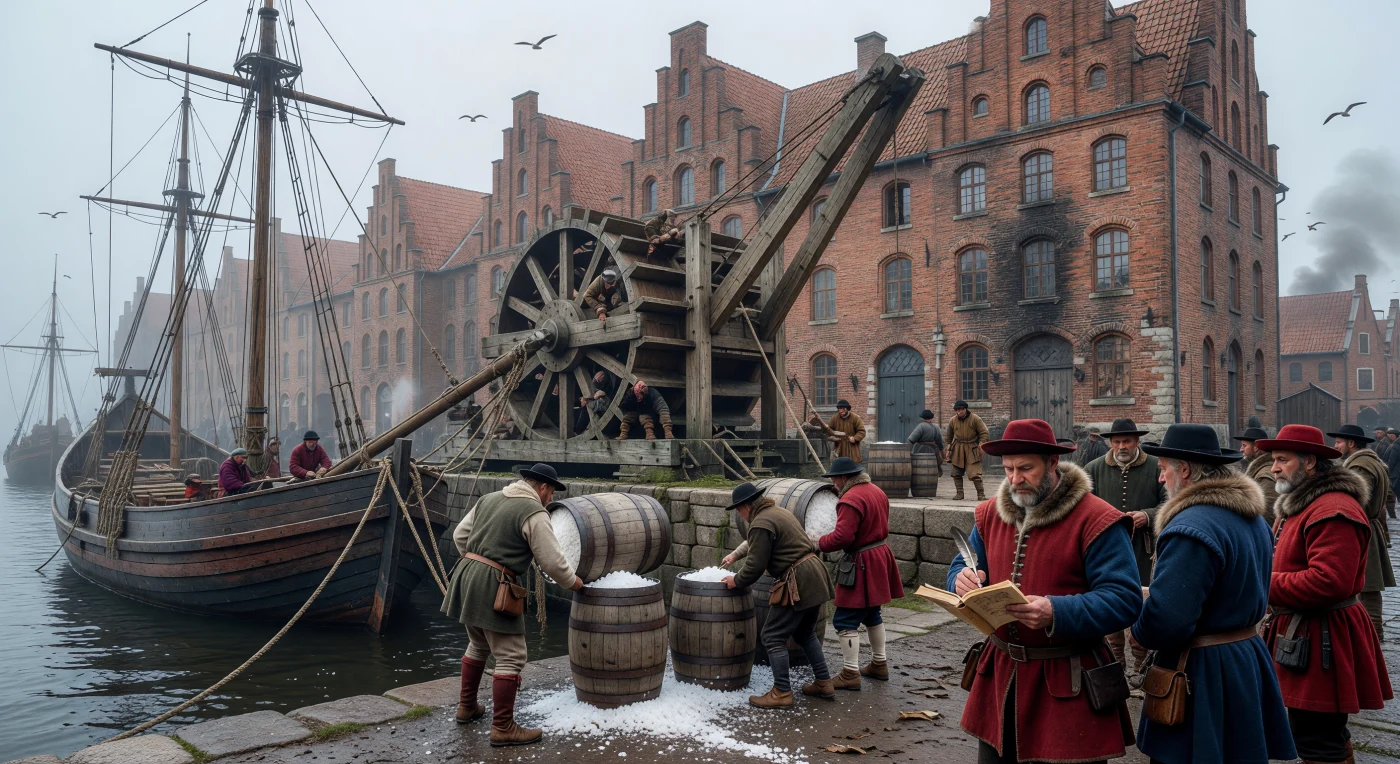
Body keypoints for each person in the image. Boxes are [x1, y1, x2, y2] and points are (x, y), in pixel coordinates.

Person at [947, 419, 1141, 764]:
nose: (1014, 479)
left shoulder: (1097, 519)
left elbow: (1124, 600)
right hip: (1000, 678)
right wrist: (959, 578)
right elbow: (962, 564)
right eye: (1008, 469)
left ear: (1053, 464)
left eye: (1025, 468)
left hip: (1068, 683)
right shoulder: (990, 514)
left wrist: (1057, 611)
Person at [1132, 424, 1295, 764]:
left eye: (1164, 469)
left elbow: (1168, 621)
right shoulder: (1251, 519)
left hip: (1202, 672)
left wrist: (1139, 625)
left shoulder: (1189, 528)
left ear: (1186, 470)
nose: (1161, 479)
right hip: (1245, 657)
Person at [1258, 424, 1393, 764]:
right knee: (1317, 732)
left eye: (1281, 460)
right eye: (1274, 460)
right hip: (1303, 633)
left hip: (1322, 640)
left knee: (1318, 737)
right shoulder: (1305, 503)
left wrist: (1261, 581)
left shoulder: (1334, 508)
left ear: (1309, 463)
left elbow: (1329, 582)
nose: (1273, 467)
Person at [441, 463, 582, 746]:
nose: (550, 499)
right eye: (551, 493)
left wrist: (478, 562)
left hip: (466, 573)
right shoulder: (534, 512)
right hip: (495, 584)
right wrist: (574, 583)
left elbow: (460, 537)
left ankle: (466, 707)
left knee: (479, 643)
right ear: (542, 488)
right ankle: (503, 728)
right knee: (511, 655)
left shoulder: (489, 498)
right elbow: (552, 562)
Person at [722, 482, 835, 709]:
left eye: (738, 509)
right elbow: (754, 543)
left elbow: (755, 565)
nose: (739, 514)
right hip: (814, 573)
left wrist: (737, 580)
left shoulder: (761, 522)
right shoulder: (777, 512)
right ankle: (824, 682)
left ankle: (782, 692)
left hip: (799, 579)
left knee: (772, 636)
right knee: (805, 633)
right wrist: (736, 554)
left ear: (746, 506)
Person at [1084, 418, 1165, 680]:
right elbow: (1082, 506)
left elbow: (1171, 502)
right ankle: (1115, 666)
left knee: (1143, 605)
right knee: (1107, 602)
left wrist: (1147, 515)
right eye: (1117, 442)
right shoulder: (1093, 468)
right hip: (1105, 549)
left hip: (1144, 550)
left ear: (1137, 441)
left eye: (1127, 441)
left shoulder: (1155, 466)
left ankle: (1141, 668)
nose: (1121, 446)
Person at [815, 456, 904, 690]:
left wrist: (818, 542)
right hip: (880, 554)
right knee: (872, 613)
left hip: (862, 560)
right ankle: (879, 663)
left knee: (845, 618)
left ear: (844, 478)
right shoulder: (876, 490)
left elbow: (843, 537)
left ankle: (850, 673)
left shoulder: (849, 499)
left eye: (834, 479)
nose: (833, 483)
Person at [1328, 424, 1396, 638]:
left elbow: (1355, 502)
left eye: (1338, 442)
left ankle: (1373, 634)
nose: (1335, 446)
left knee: (1368, 587)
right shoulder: (1366, 461)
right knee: (1366, 586)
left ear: (1351, 443)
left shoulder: (1361, 467)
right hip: (1366, 527)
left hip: (1362, 529)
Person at [944, 400, 990, 501]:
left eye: (962, 409)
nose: (960, 412)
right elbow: (949, 436)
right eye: (957, 410)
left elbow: (984, 433)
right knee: (956, 473)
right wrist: (949, 448)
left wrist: (981, 445)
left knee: (975, 473)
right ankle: (959, 494)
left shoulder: (975, 419)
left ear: (966, 409)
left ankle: (981, 494)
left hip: (972, 448)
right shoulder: (952, 420)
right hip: (958, 448)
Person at [1233, 426, 1280, 523]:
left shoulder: (1265, 475)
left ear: (1256, 448)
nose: (1241, 449)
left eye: (1244, 445)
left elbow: (1267, 516)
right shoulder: (1259, 469)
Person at [813, 399, 865, 464]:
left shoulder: (855, 418)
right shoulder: (835, 418)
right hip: (839, 448)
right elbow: (829, 431)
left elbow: (862, 431)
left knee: (853, 466)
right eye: (840, 408)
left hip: (852, 448)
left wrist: (855, 438)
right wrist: (833, 438)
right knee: (840, 466)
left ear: (848, 409)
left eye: (843, 408)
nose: (841, 410)